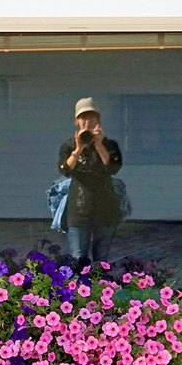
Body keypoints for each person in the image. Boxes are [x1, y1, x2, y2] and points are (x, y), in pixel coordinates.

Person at [58, 97, 122, 262]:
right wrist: (78, 149)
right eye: (83, 117)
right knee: (78, 260)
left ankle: (101, 288)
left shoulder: (110, 145)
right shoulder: (69, 146)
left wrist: (99, 145)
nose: (87, 122)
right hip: (78, 212)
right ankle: (79, 288)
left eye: (91, 117)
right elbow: (64, 170)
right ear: (76, 121)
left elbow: (113, 168)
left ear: (98, 120)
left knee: (102, 262)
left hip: (106, 210)